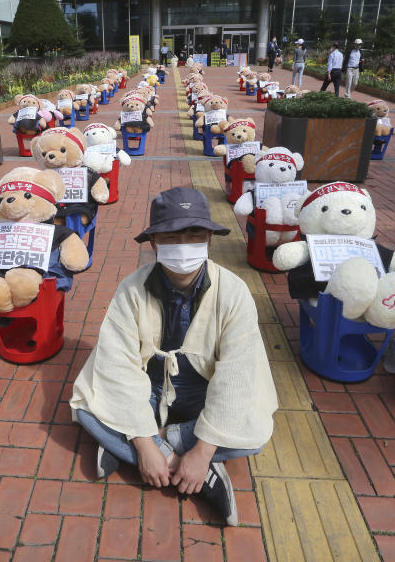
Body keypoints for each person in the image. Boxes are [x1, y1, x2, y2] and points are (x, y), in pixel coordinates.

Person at [70, 187, 278, 525]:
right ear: (153, 242)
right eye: (171, 235)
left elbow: (237, 376)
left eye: (193, 233)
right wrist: (144, 443)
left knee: (255, 428)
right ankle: (187, 468)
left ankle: (143, 447)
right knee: (85, 406)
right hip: (147, 388)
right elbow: (118, 366)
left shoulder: (234, 292)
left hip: (205, 391)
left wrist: (203, 449)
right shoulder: (131, 289)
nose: (183, 244)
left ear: (209, 238)